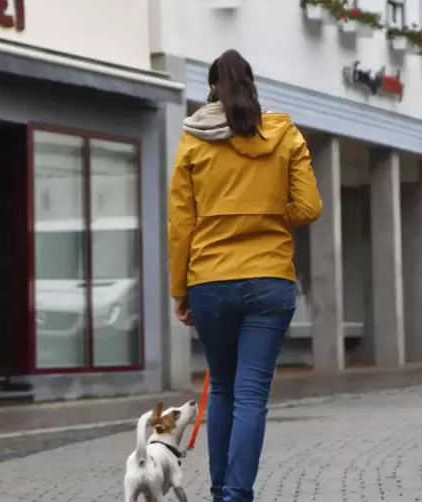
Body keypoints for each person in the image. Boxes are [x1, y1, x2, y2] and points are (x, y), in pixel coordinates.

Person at [167, 49, 322, 502]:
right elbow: (310, 206)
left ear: (212, 89)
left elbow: (181, 224)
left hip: (210, 282)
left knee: (223, 391)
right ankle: (236, 495)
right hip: (270, 281)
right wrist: (269, 214)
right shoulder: (283, 133)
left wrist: (181, 289)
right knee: (251, 395)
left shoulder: (194, 140)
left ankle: (220, 493)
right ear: (252, 86)